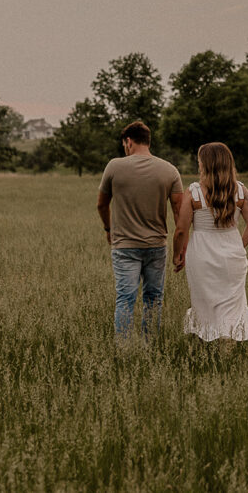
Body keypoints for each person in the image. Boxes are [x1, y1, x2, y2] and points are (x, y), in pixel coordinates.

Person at [97, 121, 183, 339]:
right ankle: (150, 344)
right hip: (156, 246)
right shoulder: (170, 170)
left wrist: (109, 229)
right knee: (154, 298)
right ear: (148, 141)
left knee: (125, 298)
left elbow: (101, 204)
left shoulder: (114, 166)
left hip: (124, 246)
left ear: (128, 141)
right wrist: (180, 249)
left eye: (124, 144)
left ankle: (125, 349)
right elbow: (179, 214)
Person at [172, 142, 248, 342]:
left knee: (204, 302)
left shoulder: (194, 192)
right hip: (233, 255)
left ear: (206, 165)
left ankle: (206, 343)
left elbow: (180, 230)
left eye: (199, 162)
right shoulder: (240, 191)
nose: (198, 166)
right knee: (232, 304)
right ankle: (226, 344)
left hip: (201, 255)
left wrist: (178, 254)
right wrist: (238, 246)